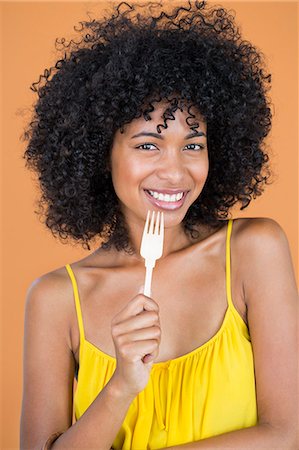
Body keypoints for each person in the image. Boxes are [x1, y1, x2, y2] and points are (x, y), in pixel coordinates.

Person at [20, 1, 298, 449]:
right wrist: (121, 386)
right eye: (148, 146)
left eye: (193, 145)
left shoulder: (253, 251)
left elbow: (287, 434)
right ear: (98, 152)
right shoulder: (56, 299)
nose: (175, 172)